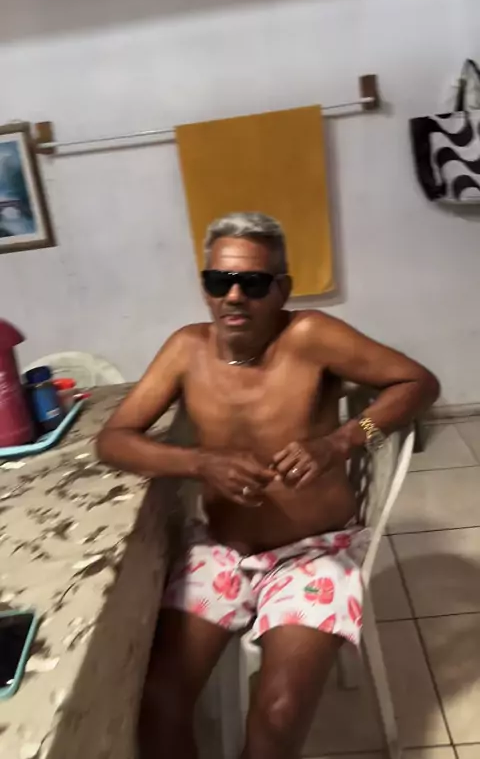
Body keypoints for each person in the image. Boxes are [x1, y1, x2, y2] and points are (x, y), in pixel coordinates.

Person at [97, 212, 439, 759]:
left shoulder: (312, 336)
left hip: (313, 553)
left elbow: (419, 382)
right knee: (157, 701)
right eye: (219, 281)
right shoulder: (186, 348)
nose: (233, 296)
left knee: (278, 716)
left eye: (253, 283)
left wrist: (342, 442)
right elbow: (113, 441)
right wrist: (201, 462)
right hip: (222, 548)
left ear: (283, 288)